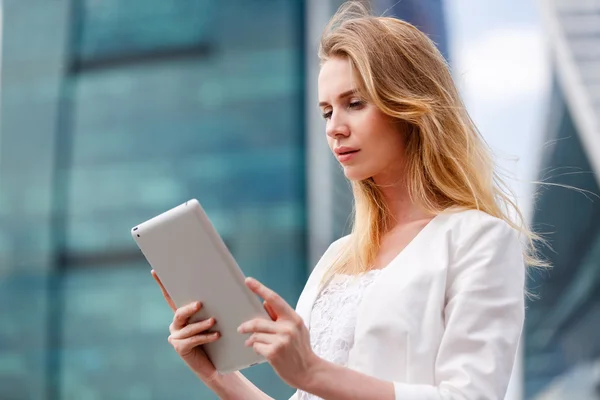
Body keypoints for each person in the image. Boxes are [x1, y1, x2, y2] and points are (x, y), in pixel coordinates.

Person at [151, 2, 544, 399]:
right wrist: (217, 374)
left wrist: (312, 372)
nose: (335, 129)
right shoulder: (338, 259)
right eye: (326, 112)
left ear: (408, 106)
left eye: (354, 103)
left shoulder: (478, 240)